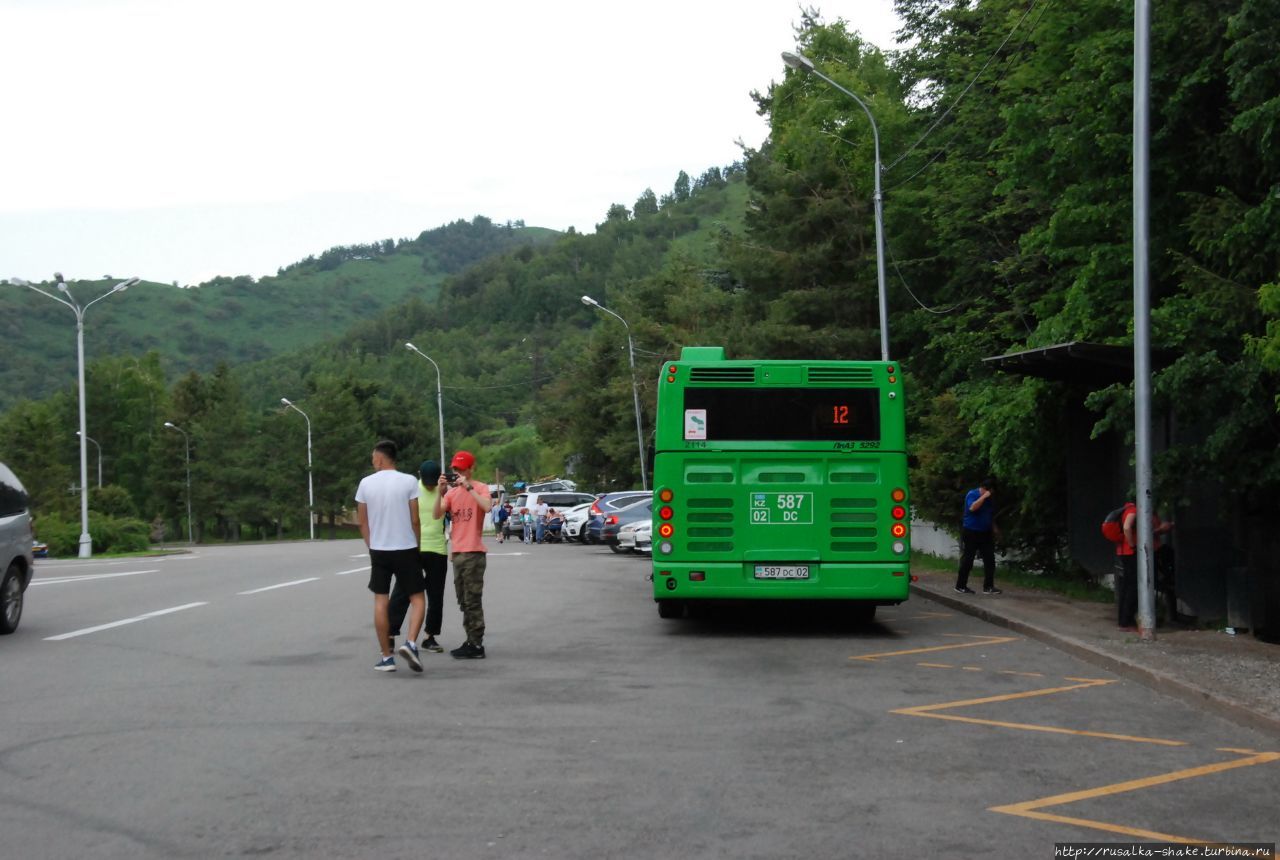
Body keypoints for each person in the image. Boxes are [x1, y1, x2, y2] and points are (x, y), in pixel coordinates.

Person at [355, 440, 425, 673]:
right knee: (417, 598)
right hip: (405, 547)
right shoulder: (409, 481)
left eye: (374, 458)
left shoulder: (365, 484)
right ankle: (411, 643)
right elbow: (415, 519)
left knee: (380, 601)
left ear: (381, 458)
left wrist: (371, 545)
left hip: (379, 549)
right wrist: (417, 544)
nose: (372, 461)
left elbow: (362, 521)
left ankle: (386, 657)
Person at [435, 450, 491, 659]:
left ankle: (477, 644)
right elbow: (436, 514)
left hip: (474, 552)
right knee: (463, 600)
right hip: (457, 552)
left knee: (473, 599)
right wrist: (439, 492)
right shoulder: (451, 493)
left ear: (470, 469)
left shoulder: (481, 488)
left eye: (461, 469)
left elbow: (486, 507)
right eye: (454, 469)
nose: (457, 472)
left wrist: (469, 488)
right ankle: (470, 639)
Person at [388, 460, 448, 655]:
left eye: (433, 481)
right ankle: (390, 634)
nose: (430, 485)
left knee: (435, 595)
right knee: (402, 592)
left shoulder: (444, 490)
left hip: (437, 548)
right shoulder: (411, 489)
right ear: (419, 475)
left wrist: (443, 491)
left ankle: (430, 636)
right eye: (428, 481)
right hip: (413, 547)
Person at [1116, 501, 1174, 630]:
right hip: (1133, 553)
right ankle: (1127, 621)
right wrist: (1133, 546)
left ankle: (1125, 620)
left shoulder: (1130, 509)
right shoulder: (1134, 510)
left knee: (1128, 586)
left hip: (1130, 552)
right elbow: (1127, 527)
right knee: (1133, 586)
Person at [954, 477, 1000, 595]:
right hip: (971, 531)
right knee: (968, 559)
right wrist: (984, 496)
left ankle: (988, 586)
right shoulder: (973, 494)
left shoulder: (990, 499)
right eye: (991, 491)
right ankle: (960, 585)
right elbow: (972, 508)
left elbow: (990, 514)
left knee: (990, 559)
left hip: (985, 532)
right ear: (985, 489)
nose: (992, 494)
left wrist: (994, 528)